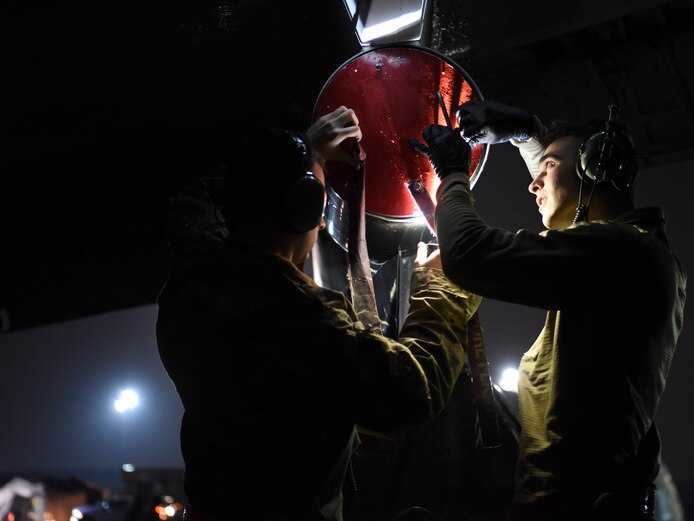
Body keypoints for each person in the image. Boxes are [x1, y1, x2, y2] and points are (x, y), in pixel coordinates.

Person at [155, 106, 481, 521]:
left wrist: (305, 151)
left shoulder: (193, 276)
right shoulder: (305, 322)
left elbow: (194, 201)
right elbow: (414, 389)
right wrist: (441, 285)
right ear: (305, 206)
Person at [410, 100, 687, 520]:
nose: (533, 184)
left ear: (594, 170)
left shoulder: (619, 255)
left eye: (548, 167)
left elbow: (469, 254)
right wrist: (530, 134)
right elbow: (571, 188)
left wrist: (452, 175)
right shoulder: (638, 252)